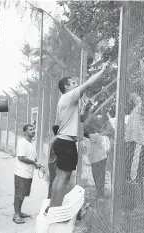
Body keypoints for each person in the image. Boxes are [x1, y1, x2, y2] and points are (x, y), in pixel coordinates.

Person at [48, 63, 108, 210]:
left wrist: (87, 108)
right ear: (67, 87)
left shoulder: (67, 101)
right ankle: (56, 209)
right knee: (63, 177)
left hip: (62, 142)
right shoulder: (69, 96)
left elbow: (80, 119)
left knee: (59, 177)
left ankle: (52, 206)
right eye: (74, 83)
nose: (77, 84)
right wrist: (103, 70)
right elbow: (88, 84)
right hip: (66, 143)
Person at [124, 62, 144, 183]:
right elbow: (130, 91)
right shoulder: (139, 103)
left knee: (135, 180)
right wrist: (124, 73)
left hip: (141, 144)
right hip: (133, 143)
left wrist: (142, 67)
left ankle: (138, 201)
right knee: (128, 178)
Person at [13, 124, 41, 224]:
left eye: (33, 129)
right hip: (21, 173)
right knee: (19, 194)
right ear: (25, 132)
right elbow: (21, 157)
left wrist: (36, 163)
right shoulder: (22, 142)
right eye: (30, 130)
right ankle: (16, 215)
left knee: (23, 194)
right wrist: (34, 163)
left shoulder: (31, 143)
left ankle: (19, 212)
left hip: (29, 173)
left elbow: (32, 156)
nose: (33, 131)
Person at [48, 125, 59, 198]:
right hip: (54, 163)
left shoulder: (54, 138)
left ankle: (51, 197)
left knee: (54, 181)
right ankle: (50, 198)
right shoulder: (57, 139)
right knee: (53, 181)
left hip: (53, 163)